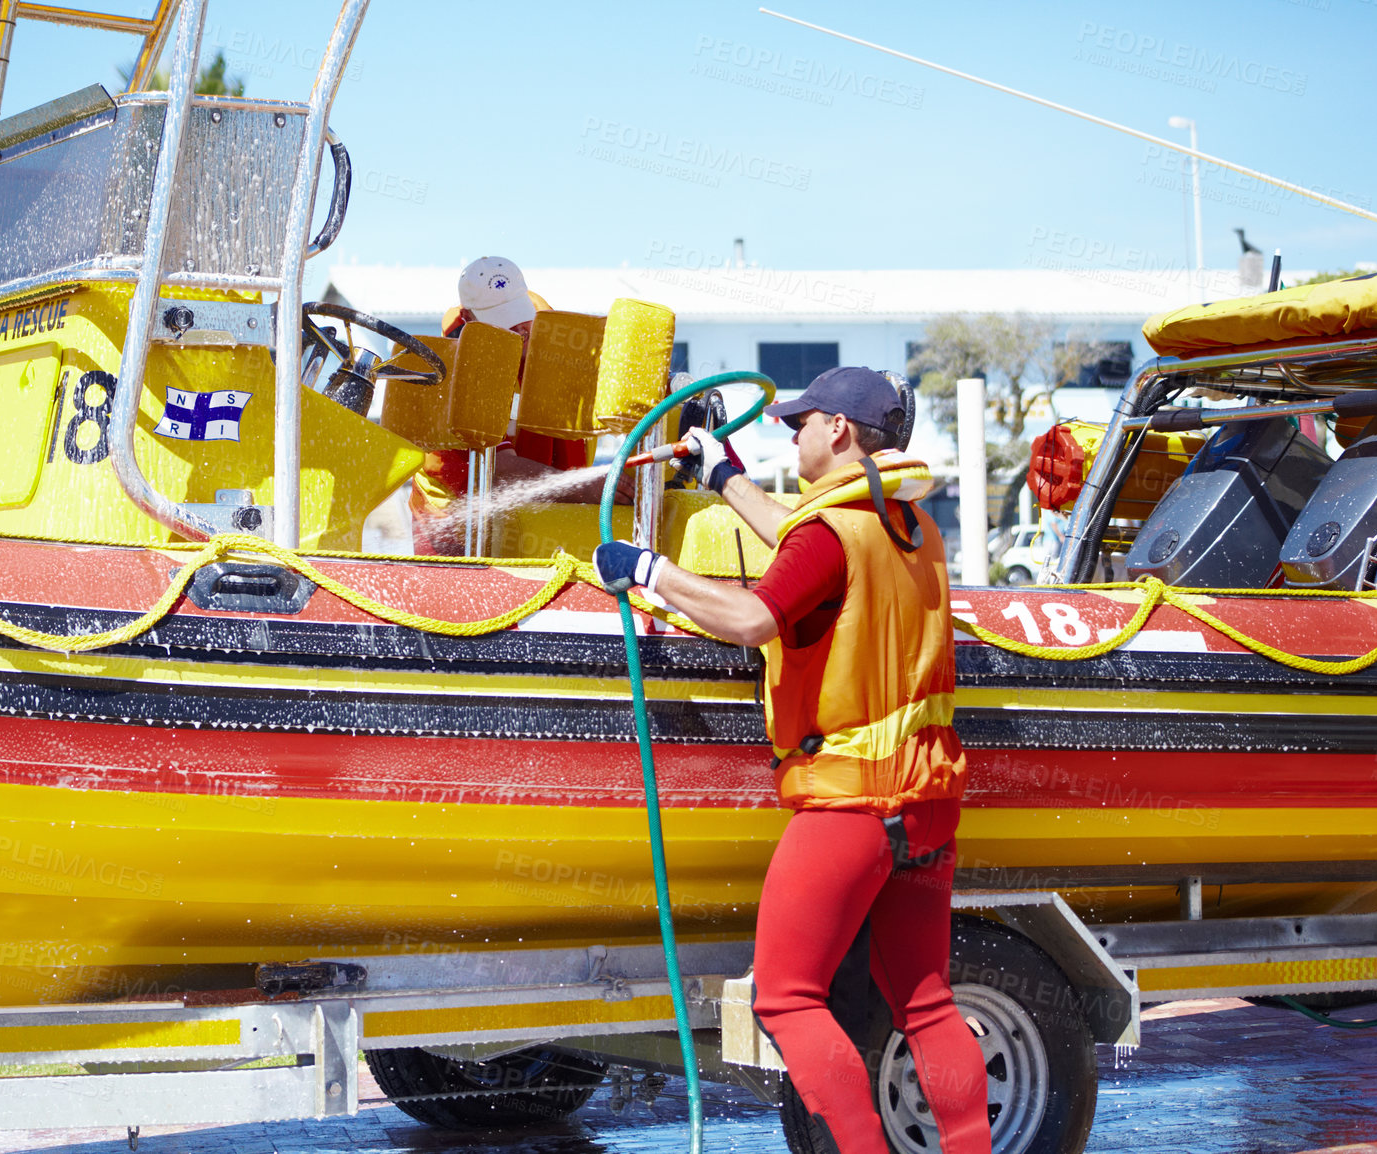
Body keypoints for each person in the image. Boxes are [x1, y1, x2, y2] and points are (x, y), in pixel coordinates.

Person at [592, 366, 988, 1154]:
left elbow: (752, 618)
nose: (793, 431)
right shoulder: (905, 521)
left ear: (838, 431)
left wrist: (649, 572)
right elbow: (809, 543)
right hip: (928, 797)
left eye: (803, 421)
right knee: (925, 1001)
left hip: (851, 799)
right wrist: (726, 481)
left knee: (786, 996)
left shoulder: (830, 531)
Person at [409, 257, 626, 553]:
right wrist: (590, 487)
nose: (520, 328)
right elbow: (498, 469)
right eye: (503, 319)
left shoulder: (558, 346)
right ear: (469, 319)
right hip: (450, 521)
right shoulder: (456, 371)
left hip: (544, 513)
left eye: (520, 314)